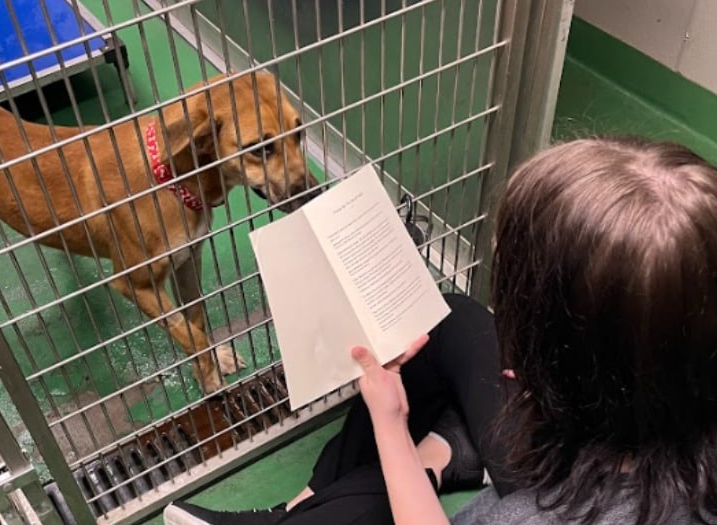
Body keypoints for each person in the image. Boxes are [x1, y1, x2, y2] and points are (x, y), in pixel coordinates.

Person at [163, 137, 717, 525]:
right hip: (628, 452)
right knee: (449, 318)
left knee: (377, 490)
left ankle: (316, 511)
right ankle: (408, 466)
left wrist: (390, 422)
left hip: (572, 485)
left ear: (539, 373)